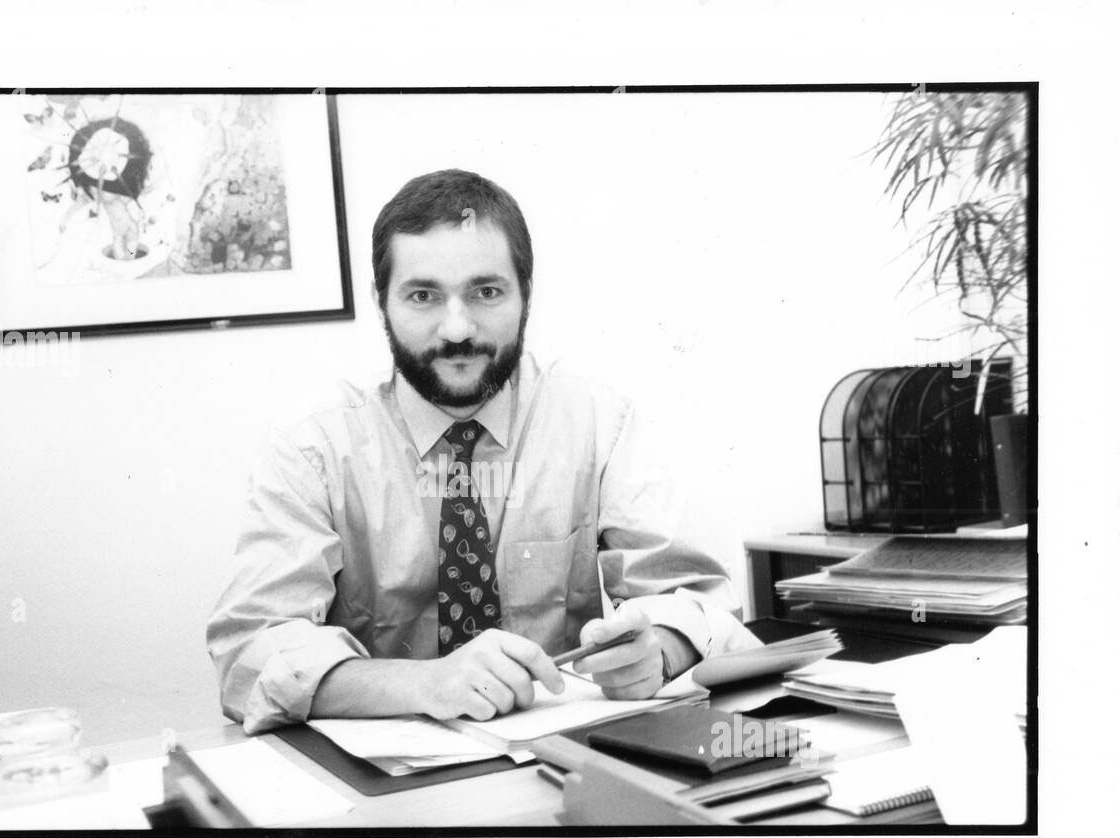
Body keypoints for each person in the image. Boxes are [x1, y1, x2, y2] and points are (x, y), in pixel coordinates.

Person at [207, 169, 759, 734]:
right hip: (382, 791)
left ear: (526, 294)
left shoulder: (599, 423)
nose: (457, 328)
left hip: (559, 760)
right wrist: (425, 683)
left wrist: (658, 649)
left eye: (486, 292)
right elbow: (249, 650)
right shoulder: (313, 447)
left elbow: (706, 604)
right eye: (423, 295)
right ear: (382, 304)